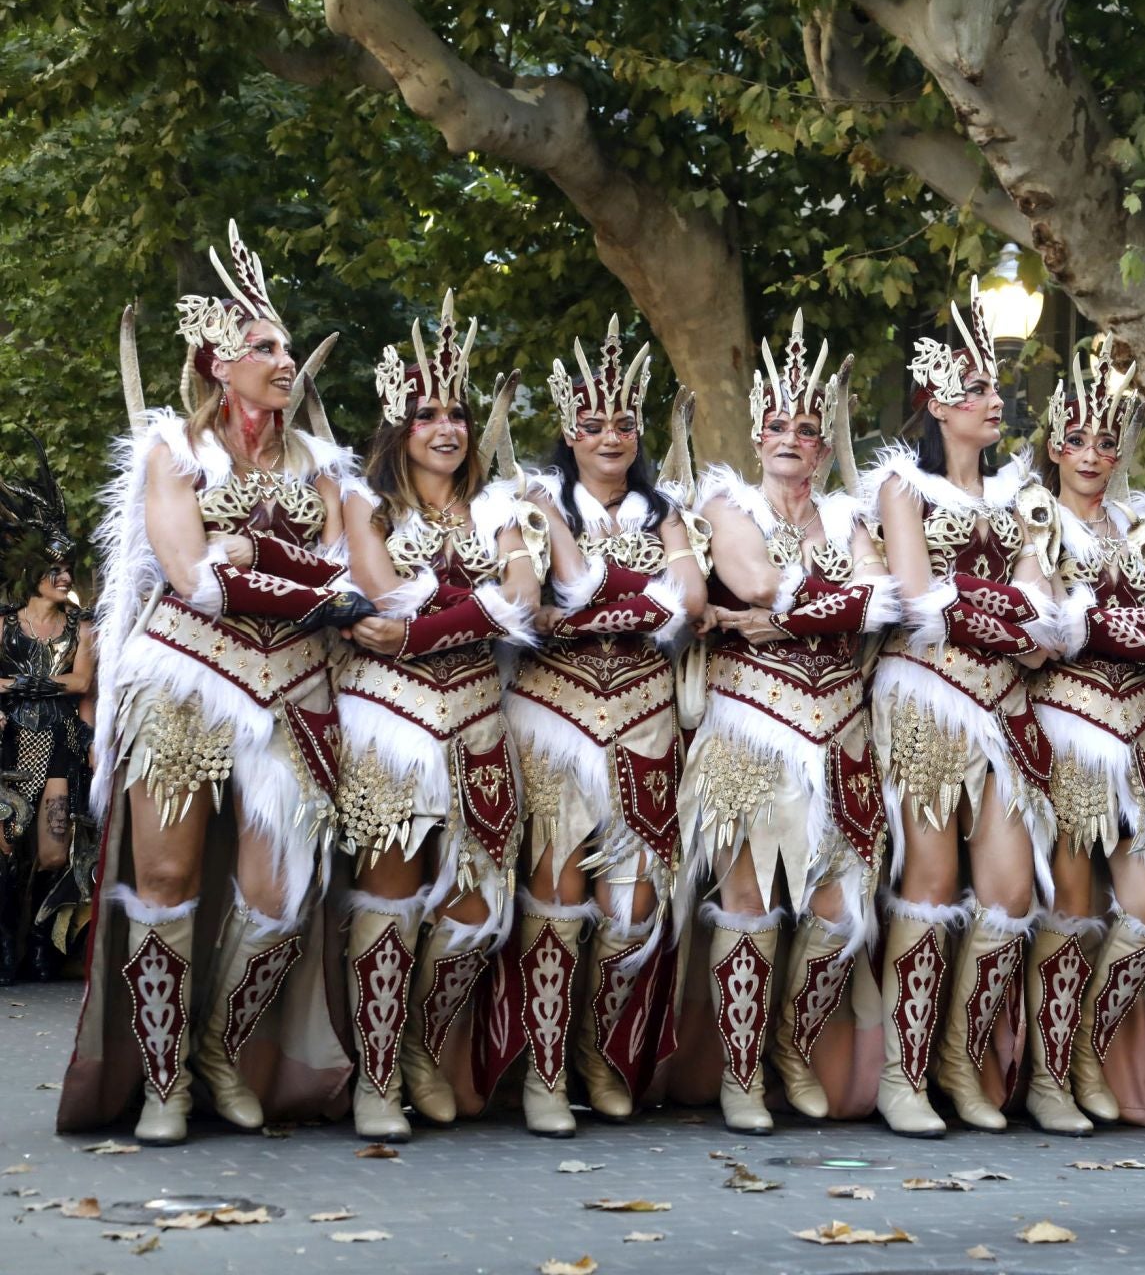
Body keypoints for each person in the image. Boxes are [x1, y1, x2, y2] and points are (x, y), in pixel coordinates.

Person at [62, 224, 370, 1143]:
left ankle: (219, 1050)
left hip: (296, 690)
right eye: (264, 347)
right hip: (188, 679)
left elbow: (350, 580)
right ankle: (160, 1080)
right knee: (163, 875)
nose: (284, 361)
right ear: (218, 363)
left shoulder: (323, 467)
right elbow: (190, 575)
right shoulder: (171, 449)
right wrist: (282, 575)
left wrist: (256, 558)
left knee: (279, 895)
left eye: (285, 347)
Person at [334, 292, 545, 1141]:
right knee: (390, 894)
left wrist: (427, 625)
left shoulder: (505, 510)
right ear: (400, 425)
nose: (447, 426)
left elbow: (524, 599)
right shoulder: (365, 504)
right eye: (427, 413)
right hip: (389, 722)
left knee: (475, 906)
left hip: (481, 725)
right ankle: (376, 1076)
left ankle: (422, 1042)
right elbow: (375, 599)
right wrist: (473, 606)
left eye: (458, 411)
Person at [679, 314, 893, 1133]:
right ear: (757, 433)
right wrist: (815, 610)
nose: (792, 439)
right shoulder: (725, 501)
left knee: (840, 910)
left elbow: (884, 598)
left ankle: (792, 1048)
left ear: (826, 448)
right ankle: (738, 1073)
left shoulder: (846, 518)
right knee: (748, 895)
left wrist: (795, 618)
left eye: (808, 429)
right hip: (753, 721)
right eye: (778, 425)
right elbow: (755, 581)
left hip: (840, 729)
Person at [863, 279, 1056, 1137]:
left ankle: (958, 1057)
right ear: (938, 402)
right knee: (933, 879)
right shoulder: (902, 485)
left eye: (996, 389)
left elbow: (1046, 600)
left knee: (1010, 891)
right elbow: (914, 594)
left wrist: (1023, 613)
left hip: (1007, 705)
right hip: (928, 698)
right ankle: (903, 1073)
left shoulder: (1021, 494)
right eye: (977, 389)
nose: (994, 402)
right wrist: (1012, 611)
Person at [504, 320, 705, 1136]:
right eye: (592, 425)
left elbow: (687, 605)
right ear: (567, 432)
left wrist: (586, 610)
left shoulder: (670, 512)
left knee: (631, 911)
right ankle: (544, 1070)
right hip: (554, 720)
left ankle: (597, 1050)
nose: (611, 437)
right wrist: (627, 601)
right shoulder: (525, 502)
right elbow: (534, 606)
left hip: (646, 725)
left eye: (624, 424)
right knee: (555, 896)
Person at [1019, 339, 1145, 1135]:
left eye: (1105, 440)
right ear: (1054, 444)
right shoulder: (1033, 518)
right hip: (1067, 726)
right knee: (1069, 900)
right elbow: (1041, 625)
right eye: (1076, 439)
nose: (1091, 454)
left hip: (1140, 732)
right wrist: (1130, 633)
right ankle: (1049, 1076)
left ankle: (1088, 1049)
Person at [0, 441, 95, 983]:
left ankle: (42, 943)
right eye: (54, 569)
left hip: (58, 743)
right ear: (33, 572)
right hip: (10, 743)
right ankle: (8, 946)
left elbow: (81, 681)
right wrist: (27, 684)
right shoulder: (4, 623)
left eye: (68, 569)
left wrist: (22, 684)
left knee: (54, 855)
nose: (64, 577)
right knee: (8, 853)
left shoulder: (83, 629)